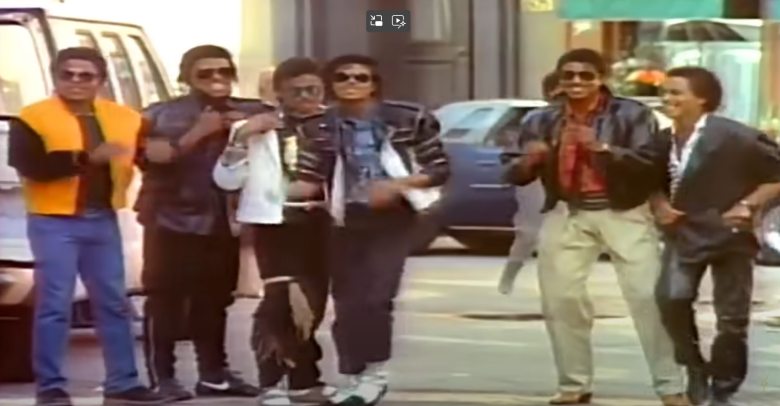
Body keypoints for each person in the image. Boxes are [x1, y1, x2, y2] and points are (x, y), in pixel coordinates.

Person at [504, 49, 687, 406]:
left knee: (646, 297)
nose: (575, 82)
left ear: (601, 78)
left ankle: (670, 387)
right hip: (567, 210)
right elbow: (512, 172)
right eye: (568, 75)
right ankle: (574, 384)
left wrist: (603, 149)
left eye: (585, 75)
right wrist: (530, 161)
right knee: (560, 298)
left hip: (624, 210)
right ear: (558, 80)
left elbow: (649, 164)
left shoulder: (632, 114)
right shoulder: (540, 119)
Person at [8, 47, 165, 406]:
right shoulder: (32, 117)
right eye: (68, 74)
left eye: (86, 75)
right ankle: (50, 386)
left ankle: (123, 382)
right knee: (54, 304)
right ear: (56, 77)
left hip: (102, 218)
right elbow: (28, 164)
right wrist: (84, 159)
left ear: (101, 80)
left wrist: (159, 152)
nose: (76, 81)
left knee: (113, 303)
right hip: (53, 220)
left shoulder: (126, 118)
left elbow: (149, 154)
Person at [293, 54, 449, 406]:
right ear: (331, 84)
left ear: (374, 83)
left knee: (376, 298)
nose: (352, 83)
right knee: (347, 303)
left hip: (393, 217)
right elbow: (310, 176)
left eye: (361, 78)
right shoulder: (318, 125)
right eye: (343, 77)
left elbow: (439, 169)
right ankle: (352, 374)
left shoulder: (410, 118)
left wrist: (396, 186)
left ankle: (375, 374)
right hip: (342, 219)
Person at [136, 45, 275, 400]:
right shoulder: (160, 114)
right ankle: (163, 378)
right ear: (186, 78)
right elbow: (154, 159)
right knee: (165, 301)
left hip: (222, 222)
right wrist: (199, 131)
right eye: (206, 73)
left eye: (223, 72)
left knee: (214, 301)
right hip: (170, 219)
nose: (217, 80)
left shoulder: (250, 110)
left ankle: (213, 373)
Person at [652, 67, 780, 406]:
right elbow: (648, 178)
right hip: (684, 232)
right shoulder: (663, 139)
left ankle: (723, 386)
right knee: (671, 298)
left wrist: (747, 204)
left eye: (677, 92)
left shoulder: (735, 136)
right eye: (664, 92)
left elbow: (777, 174)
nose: (668, 99)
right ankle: (693, 365)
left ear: (702, 98)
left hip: (730, 235)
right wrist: (660, 204)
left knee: (732, 317)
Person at [212, 57, 334, 405]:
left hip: (323, 224)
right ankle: (272, 382)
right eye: (297, 91)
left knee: (312, 305)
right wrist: (242, 138)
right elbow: (225, 179)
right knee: (280, 302)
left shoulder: (336, 125)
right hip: (275, 225)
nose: (307, 96)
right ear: (279, 92)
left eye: (314, 89)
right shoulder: (256, 127)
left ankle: (303, 378)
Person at [498, 71, 560, 295]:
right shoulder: (535, 120)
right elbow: (511, 157)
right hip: (535, 184)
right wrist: (529, 160)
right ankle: (509, 276)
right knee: (529, 235)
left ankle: (554, 288)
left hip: (563, 187)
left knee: (559, 239)